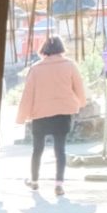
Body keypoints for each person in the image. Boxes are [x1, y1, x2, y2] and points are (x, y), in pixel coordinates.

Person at [14, 36, 84, 197]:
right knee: (60, 150)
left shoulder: (36, 68)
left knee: (37, 149)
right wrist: (80, 103)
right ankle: (58, 185)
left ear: (44, 49)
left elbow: (28, 94)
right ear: (61, 48)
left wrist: (21, 117)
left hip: (40, 114)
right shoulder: (70, 66)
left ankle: (34, 181)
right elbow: (79, 88)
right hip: (63, 113)